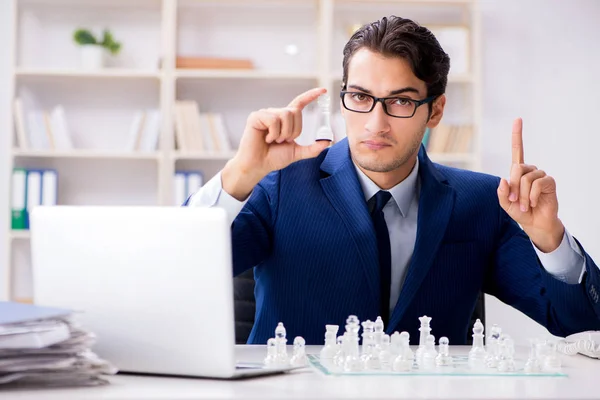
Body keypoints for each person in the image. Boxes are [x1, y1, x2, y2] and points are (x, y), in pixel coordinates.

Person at [186, 16, 600, 345]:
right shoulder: (279, 186)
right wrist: (240, 175)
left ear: (434, 111)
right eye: (361, 98)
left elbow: (575, 321)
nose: (375, 124)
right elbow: (186, 271)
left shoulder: (482, 202)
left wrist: (550, 238)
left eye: (400, 101)